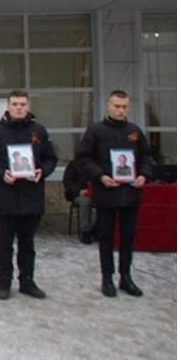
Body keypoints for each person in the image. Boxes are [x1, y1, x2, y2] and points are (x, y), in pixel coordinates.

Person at [0, 89, 58, 300]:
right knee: (4, 244)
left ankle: (27, 281)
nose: (19, 108)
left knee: (28, 243)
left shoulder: (39, 131)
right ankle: (4, 282)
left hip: (31, 197)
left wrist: (42, 172)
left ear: (28, 106)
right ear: (8, 106)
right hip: (5, 197)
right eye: (15, 104)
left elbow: (51, 159)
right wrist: (1, 174)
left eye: (22, 104)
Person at [75, 90, 154, 298]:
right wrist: (100, 176)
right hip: (105, 194)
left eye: (125, 107)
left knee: (128, 237)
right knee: (106, 237)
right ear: (108, 106)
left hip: (130, 193)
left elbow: (146, 157)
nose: (121, 110)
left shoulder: (135, 132)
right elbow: (83, 159)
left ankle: (126, 276)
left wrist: (144, 175)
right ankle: (107, 277)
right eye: (117, 106)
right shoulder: (95, 131)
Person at [62, 158, 95, 244]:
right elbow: (68, 182)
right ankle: (86, 231)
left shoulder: (97, 163)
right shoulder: (74, 165)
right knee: (85, 202)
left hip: (96, 193)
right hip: (78, 194)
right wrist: (79, 191)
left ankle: (98, 228)